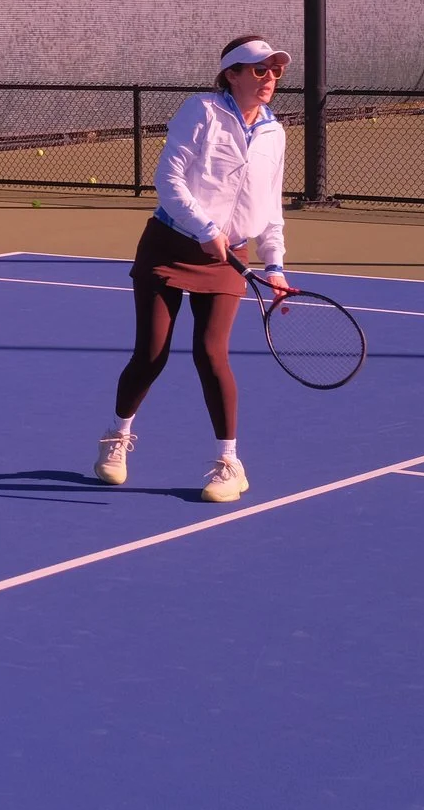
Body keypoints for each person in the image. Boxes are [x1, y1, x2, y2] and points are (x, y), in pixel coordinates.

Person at [93, 35, 294, 503]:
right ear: (232, 74)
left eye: (276, 70)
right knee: (152, 353)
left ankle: (229, 463)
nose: (270, 79)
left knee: (211, 353)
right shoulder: (201, 111)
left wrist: (276, 265)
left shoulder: (274, 132)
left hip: (230, 258)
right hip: (169, 246)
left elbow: (271, 205)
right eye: (259, 69)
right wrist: (204, 227)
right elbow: (169, 178)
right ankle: (117, 436)